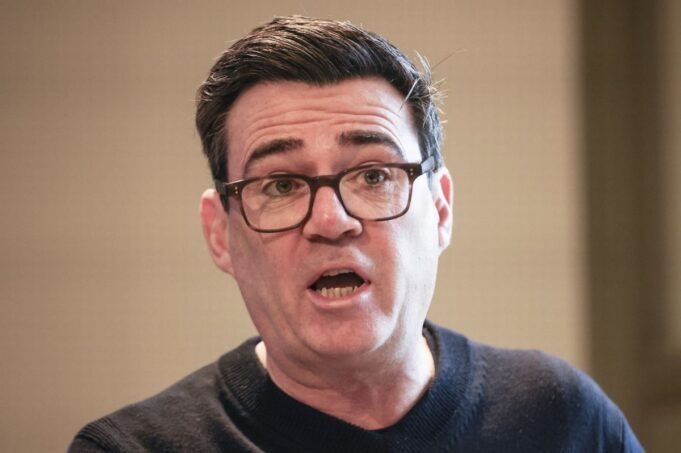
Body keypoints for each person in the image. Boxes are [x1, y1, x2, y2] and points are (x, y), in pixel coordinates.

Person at [69, 15, 642, 452]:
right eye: (281, 184)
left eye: (373, 176)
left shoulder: (560, 418)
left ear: (440, 209)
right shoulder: (132, 448)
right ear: (221, 234)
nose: (330, 221)